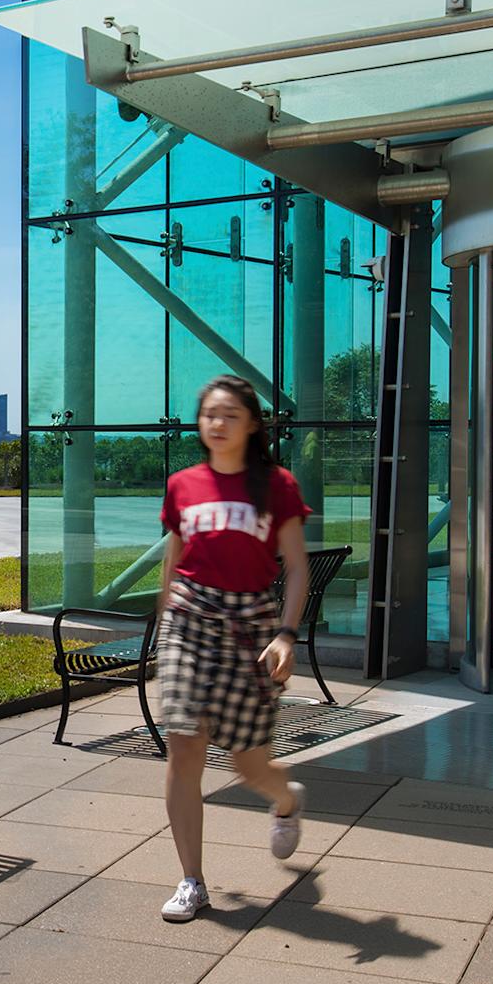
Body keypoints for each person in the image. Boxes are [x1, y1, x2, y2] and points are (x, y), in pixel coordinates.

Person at [154, 375, 312, 924]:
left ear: (251, 424)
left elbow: (295, 568)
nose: (217, 424)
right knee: (184, 741)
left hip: (250, 624)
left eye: (229, 415)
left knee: (249, 766)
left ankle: (286, 798)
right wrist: (162, 627)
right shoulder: (182, 485)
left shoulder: (276, 486)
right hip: (189, 620)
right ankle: (191, 880)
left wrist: (286, 634)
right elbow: (173, 563)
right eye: (209, 415)